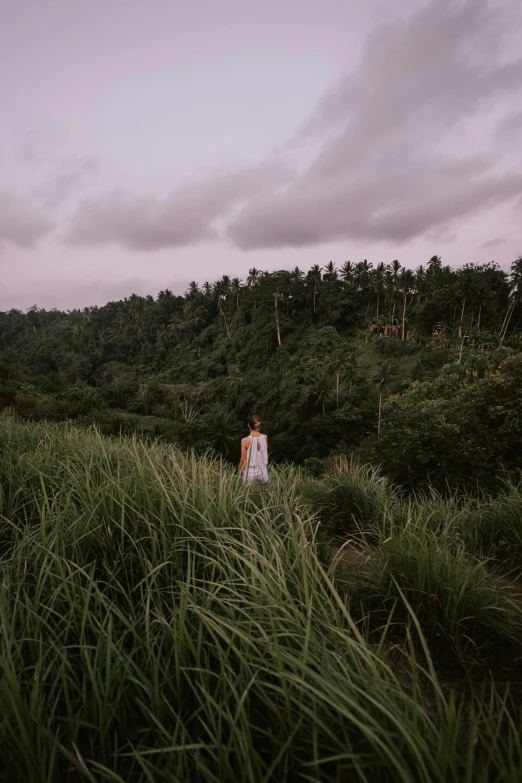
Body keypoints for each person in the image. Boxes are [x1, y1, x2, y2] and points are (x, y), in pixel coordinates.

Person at [238, 413, 268, 485]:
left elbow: (243, 460)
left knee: (248, 495)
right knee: (263, 494)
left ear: (249, 425)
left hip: (250, 474)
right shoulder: (265, 437)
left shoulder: (245, 440)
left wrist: (239, 472)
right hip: (263, 472)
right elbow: (264, 454)